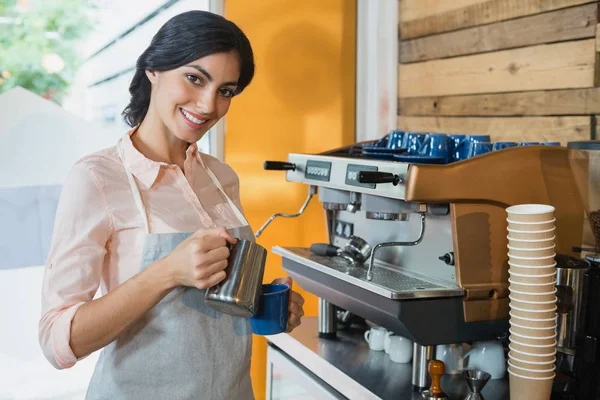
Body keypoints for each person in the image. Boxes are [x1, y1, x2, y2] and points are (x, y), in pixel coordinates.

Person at [38, 10, 305, 399]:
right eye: (195, 78)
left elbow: (205, 310)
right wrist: (166, 273)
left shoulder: (221, 177)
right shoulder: (97, 178)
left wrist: (258, 300)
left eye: (225, 91)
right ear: (153, 69)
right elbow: (57, 342)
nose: (208, 104)